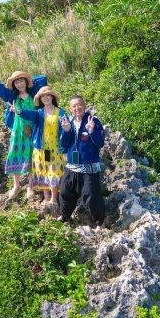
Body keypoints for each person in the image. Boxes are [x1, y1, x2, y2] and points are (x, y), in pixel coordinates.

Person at [0, 67, 46, 201]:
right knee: (14, 154)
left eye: (22, 81)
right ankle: (16, 185)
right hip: (17, 131)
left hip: (32, 131)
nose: (19, 84)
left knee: (31, 156)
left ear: (26, 82)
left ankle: (30, 185)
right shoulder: (12, 96)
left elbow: (43, 82)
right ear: (14, 85)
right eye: (16, 82)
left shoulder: (34, 95)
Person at [14, 86, 67, 207]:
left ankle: (54, 198)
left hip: (55, 149)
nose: (46, 97)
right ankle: (46, 196)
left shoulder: (61, 112)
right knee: (43, 170)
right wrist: (19, 111)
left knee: (54, 171)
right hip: (42, 149)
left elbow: (66, 129)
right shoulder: (39, 113)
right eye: (43, 96)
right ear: (40, 99)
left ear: (52, 97)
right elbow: (28, 115)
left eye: (48, 95)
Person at [58, 95, 105, 226]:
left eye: (79, 105)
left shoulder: (93, 120)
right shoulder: (68, 121)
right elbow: (63, 145)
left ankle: (99, 222)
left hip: (89, 166)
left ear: (84, 106)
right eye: (74, 106)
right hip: (72, 166)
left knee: (91, 196)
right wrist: (66, 131)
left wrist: (91, 131)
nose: (77, 108)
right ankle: (65, 216)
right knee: (65, 192)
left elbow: (100, 143)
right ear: (70, 108)